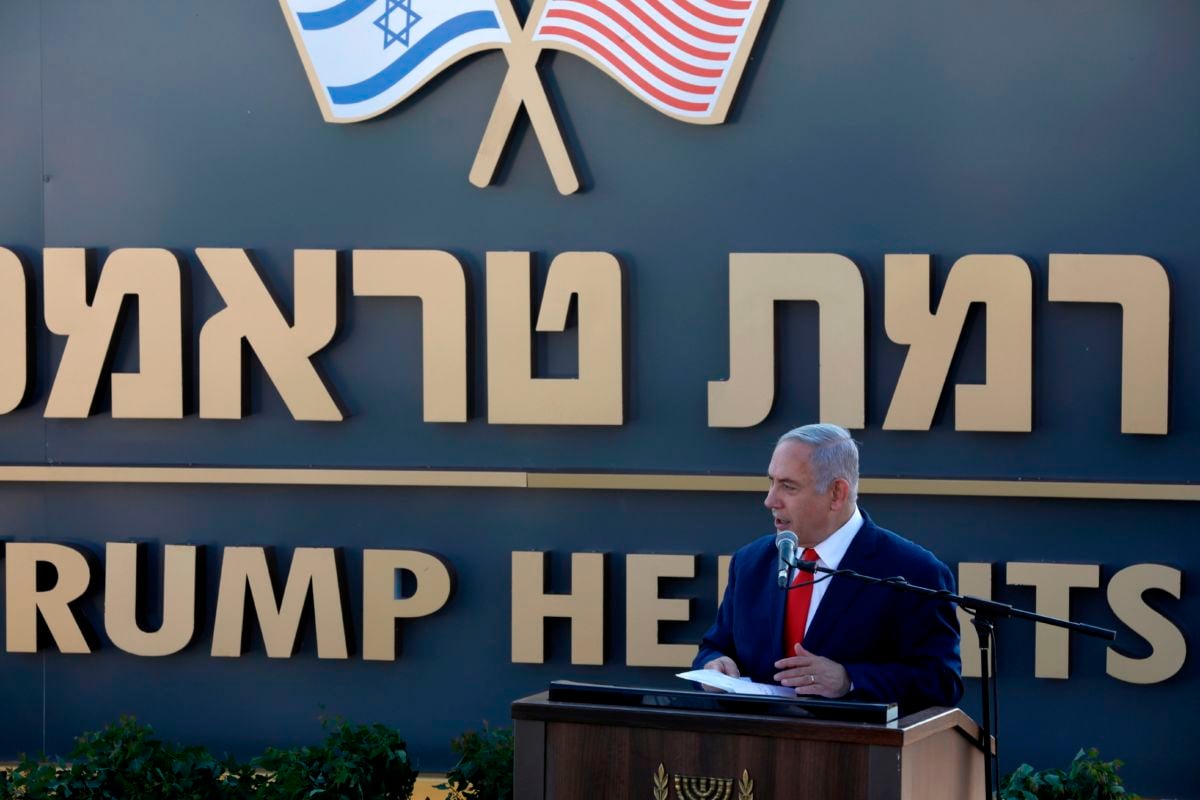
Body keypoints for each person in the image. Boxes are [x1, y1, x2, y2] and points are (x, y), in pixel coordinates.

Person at [694, 423, 963, 713]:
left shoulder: (914, 572)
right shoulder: (750, 562)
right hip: (755, 752)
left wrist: (849, 680)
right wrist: (713, 666)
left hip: (858, 752)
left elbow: (942, 682)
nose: (770, 500)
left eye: (788, 486)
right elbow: (714, 647)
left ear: (836, 493)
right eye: (770, 481)